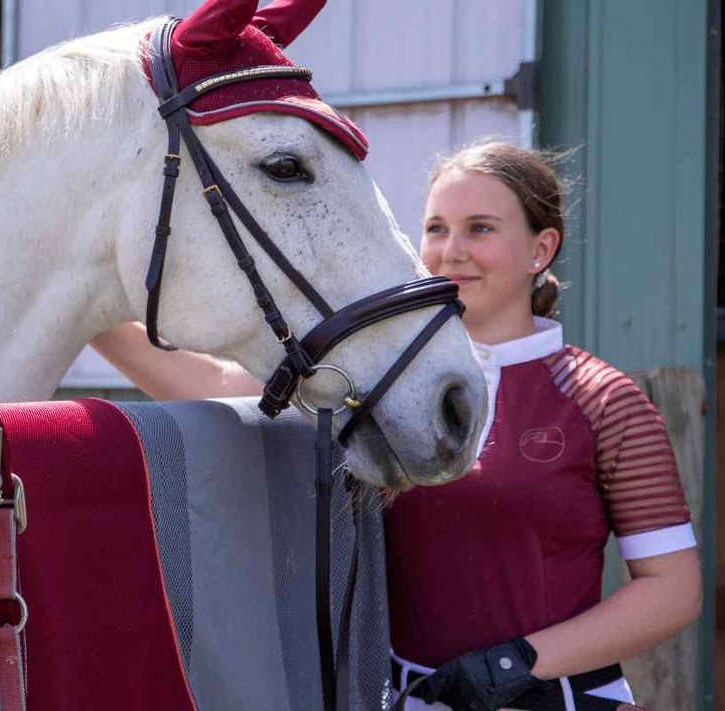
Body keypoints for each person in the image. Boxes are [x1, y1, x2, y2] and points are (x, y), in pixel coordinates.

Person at [89, 141, 700, 711]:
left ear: (540, 250)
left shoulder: (601, 399)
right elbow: (223, 387)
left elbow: (671, 590)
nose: (449, 251)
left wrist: (518, 664)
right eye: (436, 229)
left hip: (556, 698)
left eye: (480, 229)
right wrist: (88, 315)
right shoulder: (377, 384)